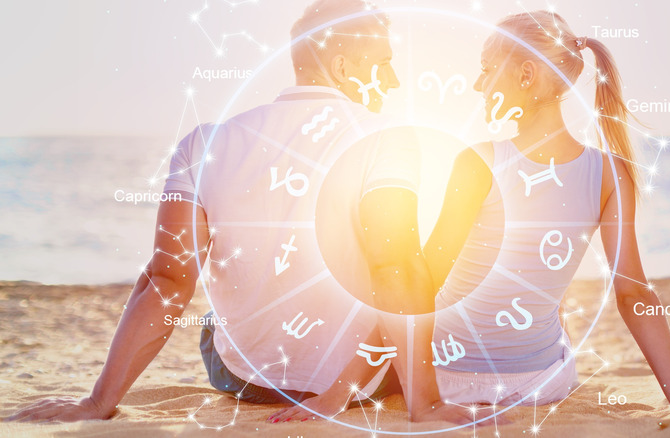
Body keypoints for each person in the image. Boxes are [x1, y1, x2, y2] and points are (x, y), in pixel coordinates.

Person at [8, 0, 472, 424]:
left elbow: (169, 279)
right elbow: (393, 267)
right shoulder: (386, 138)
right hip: (361, 387)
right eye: (384, 63)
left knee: (214, 320)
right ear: (342, 65)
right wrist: (425, 403)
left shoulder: (204, 142)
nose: (392, 81)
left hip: (249, 381)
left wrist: (97, 402)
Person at [423, 10, 670, 420]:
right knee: (549, 294)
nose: (477, 84)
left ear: (525, 75)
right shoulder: (611, 173)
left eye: (486, 70)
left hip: (450, 377)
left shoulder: (478, 161)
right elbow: (633, 294)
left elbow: (423, 279)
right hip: (540, 382)